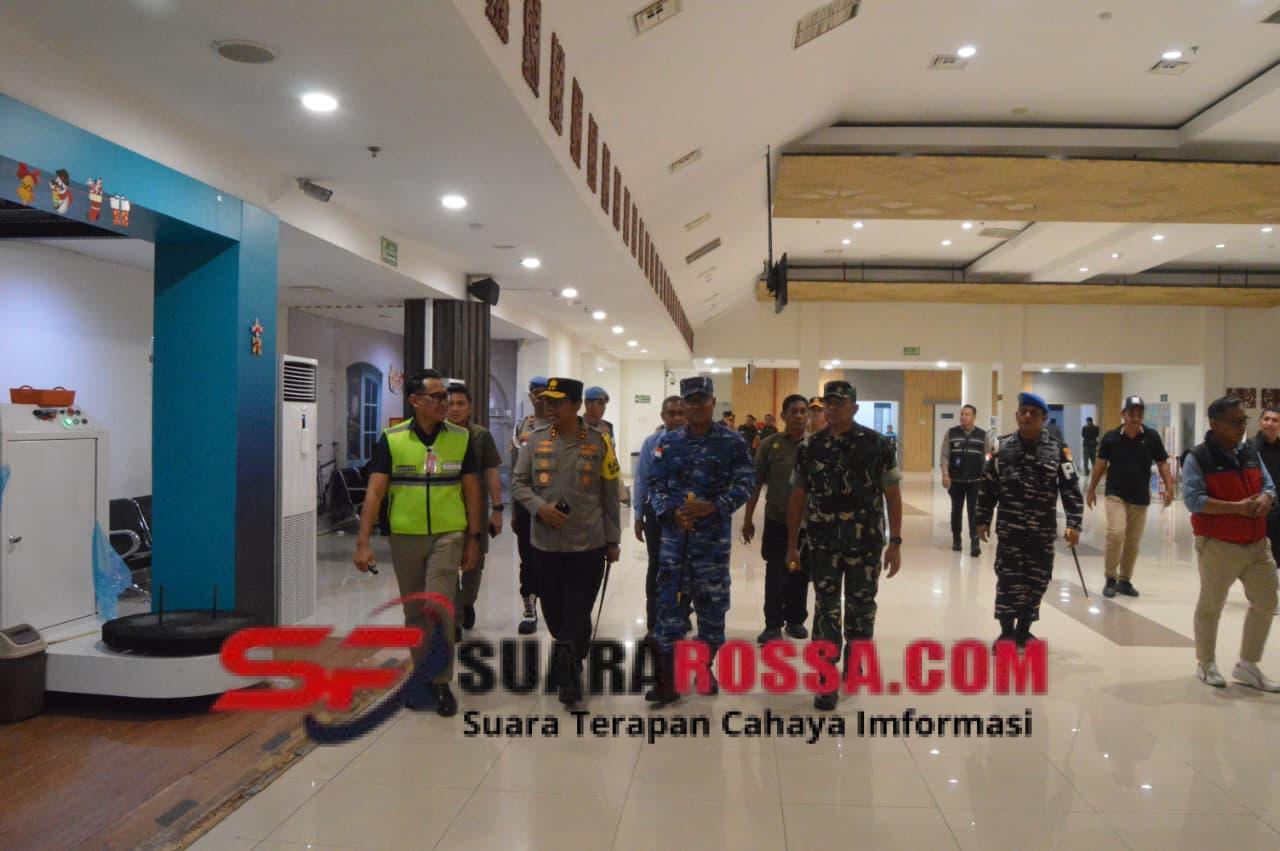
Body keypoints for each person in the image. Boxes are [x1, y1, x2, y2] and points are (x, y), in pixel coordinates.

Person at [353, 369, 484, 717]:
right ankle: (422, 676)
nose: (444, 403)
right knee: (414, 612)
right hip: (405, 536)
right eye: (436, 397)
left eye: (445, 397)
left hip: (448, 534)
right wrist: (363, 541)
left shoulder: (461, 438)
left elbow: (472, 491)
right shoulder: (392, 439)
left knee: (437, 607)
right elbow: (375, 492)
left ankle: (441, 682)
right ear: (414, 401)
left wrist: (474, 538)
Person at [787, 381, 903, 711]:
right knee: (825, 608)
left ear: (854, 407)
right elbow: (798, 495)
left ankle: (855, 662)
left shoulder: (877, 444)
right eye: (829, 403)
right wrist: (792, 544)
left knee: (861, 606)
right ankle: (825, 678)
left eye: (840, 402)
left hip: (865, 543)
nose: (833, 408)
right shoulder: (810, 446)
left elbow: (892, 495)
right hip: (823, 543)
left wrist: (895, 542)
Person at [510, 377, 622, 705]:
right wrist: (539, 507)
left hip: (588, 543)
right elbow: (518, 483)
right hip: (545, 545)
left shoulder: (600, 442)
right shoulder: (534, 440)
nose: (549, 407)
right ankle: (571, 650)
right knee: (554, 612)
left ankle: (569, 671)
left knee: (577, 610)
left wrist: (613, 540)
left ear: (576, 405)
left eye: (557, 402)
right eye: (546, 401)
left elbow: (609, 495)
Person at [644, 376, 755, 705]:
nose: (695, 407)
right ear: (683, 403)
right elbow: (655, 484)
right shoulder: (667, 442)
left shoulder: (731, 442)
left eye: (701, 401)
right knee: (669, 616)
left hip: (711, 547)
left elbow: (746, 482)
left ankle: (703, 668)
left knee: (712, 616)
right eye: (689, 401)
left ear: (712, 402)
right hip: (675, 546)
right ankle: (668, 682)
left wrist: (716, 506)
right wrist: (670, 513)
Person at [1183, 396, 1278, 691]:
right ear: (1215, 424)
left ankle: (1248, 664)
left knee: (1267, 601)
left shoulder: (1250, 451)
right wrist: (1236, 508)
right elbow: (1194, 500)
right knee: (1211, 605)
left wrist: (1266, 498)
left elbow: (1269, 485)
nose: (1241, 426)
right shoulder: (1198, 457)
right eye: (1234, 421)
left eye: (1243, 421)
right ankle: (1206, 663)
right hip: (1219, 544)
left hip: (1257, 544)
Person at [975, 392, 1083, 648]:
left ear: (1044, 418)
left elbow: (1070, 489)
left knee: (1037, 581)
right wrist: (982, 518)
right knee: (1008, 580)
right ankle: (1006, 632)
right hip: (1010, 530)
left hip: (1041, 532)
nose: (1027, 416)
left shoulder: (1059, 451)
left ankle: (1024, 630)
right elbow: (988, 486)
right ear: (1016, 415)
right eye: (1023, 412)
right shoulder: (1000, 448)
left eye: (1033, 413)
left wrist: (1074, 523)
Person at [1085, 395, 1174, 598]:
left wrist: (1170, 487)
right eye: (1131, 413)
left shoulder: (1151, 437)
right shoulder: (1111, 437)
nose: (1135, 417)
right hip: (1115, 494)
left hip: (1140, 496)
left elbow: (1162, 463)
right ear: (1123, 415)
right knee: (1116, 534)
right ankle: (1110, 577)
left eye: (1139, 413)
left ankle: (1124, 580)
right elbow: (1100, 464)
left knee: (1133, 541)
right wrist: (1091, 489)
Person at [742, 394, 811, 643]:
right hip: (777, 520)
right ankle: (772, 624)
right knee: (775, 573)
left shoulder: (816, 445)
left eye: (803, 411)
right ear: (783, 416)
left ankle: (795, 620)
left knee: (801, 574)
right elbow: (755, 483)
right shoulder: (770, 445)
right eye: (794, 411)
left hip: (807, 524)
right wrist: (748, 519)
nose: (799, 416)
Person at [446, 383, 505, 637]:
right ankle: (455, 616)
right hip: (446, 510)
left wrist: (497, 509)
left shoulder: (481, 436)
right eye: (450, 404)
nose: (455, 409)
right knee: (447, 563)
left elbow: (492, 472)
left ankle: (467, 601)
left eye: (460, 404)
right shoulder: (439, 435)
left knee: (474, 563)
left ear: (469, 408)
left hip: (475, 511)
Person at [633, 395, 687, 636]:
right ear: (663, 416)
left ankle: (681, 615)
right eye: (671, 413)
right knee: (656, 564)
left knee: (686, 567)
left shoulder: (696, 443)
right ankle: (654, 620)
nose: (676, 418)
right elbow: (641, 480)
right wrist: (638, 515)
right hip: (656, 514)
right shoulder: (651, 443)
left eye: (680, 413)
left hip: (686, 515)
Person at [511, 376, 551, 634]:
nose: (541, 398)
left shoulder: (561, 425)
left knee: (554, 559)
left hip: (554, 502)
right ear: (530, 396)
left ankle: (555, 606)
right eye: (536, 393)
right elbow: (516, 470)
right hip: (526, 503)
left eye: (545, 393)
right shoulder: (522, 427)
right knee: (527, 559)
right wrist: (515, 510)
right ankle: (529, 609)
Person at [940, 404, 989, 557]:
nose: (963, 417)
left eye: (967, 414)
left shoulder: (982, 435)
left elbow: (986, 457)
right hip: (956, 481)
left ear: (974, 417)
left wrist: (987, 477)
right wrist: (945, 474)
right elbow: (944, 455)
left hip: (975, 481)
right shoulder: (951, 433)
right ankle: (957, 538)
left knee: (974, 511)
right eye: (962, 414)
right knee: (956, 510)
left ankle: (975, 541)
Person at [1255, 406, 1280, 569]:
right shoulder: (1249, 448)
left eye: (1275, 420)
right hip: (1257, 509)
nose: (1270, 423)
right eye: (1266, 419)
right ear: (1260, 422)